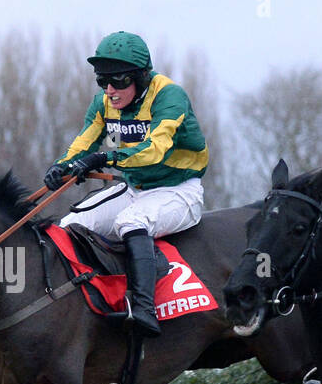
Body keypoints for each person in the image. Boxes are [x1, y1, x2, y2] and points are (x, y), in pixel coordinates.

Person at [43, 32, 209, 336]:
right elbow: (83, 143)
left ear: (141, 77)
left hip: (179, 191)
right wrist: (61, 167)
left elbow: (153, 150)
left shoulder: (169, 96)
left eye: (118, 80)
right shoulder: (103, 103)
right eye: (102, 80)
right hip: (135, 189)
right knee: (68, 225)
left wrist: (104, 159)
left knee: (130, 221)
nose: (110, 90)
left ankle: (145, 309)